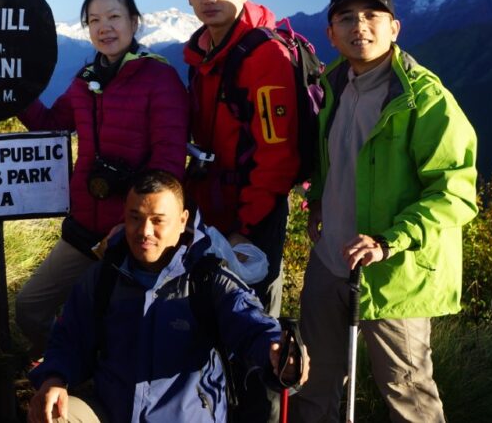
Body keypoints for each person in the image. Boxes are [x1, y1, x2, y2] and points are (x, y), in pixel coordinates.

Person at [291, 0, 477, 422]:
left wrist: (389, 241)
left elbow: (455, 191)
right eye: (346, 18)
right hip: (329, 261)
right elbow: (332, 158)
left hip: (396, 274)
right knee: (312, 385)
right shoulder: (329, 86)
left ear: (394, 28)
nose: (360, 26)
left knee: (408, 394)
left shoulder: (424, 98)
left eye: (372, 15)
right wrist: (319, 200)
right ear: (331, 33)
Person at [28, 169, 304, 423]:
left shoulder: (207, 281)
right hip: (111, 414)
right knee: (53, 414)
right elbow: (69, 338)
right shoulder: (105, 277)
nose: (144, 231)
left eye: (158, 221)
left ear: (183, 221)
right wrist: (54, 378)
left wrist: (280, 356)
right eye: (135, 218)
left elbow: (252, 325)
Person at [16, 0, 188, 359]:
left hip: (134, 238)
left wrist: (134, 224)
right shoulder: (85, 80)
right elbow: (53, 123)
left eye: (113, 17)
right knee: (30, 307)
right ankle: (69, 370)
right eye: (94, 20)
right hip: (83, 229)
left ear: (134, 22)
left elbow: (169, 161)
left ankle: (94, 381)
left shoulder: (159, 78)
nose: (104, 27)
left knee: (117, 331)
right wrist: (16, 90)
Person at [182, 0, 299, 420]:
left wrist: (246, 229)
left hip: (253, 216)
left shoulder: (263, 54)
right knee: (213, 319)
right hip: (212, 208)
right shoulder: (203, 53)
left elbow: (277, 154)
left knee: (258, 333)